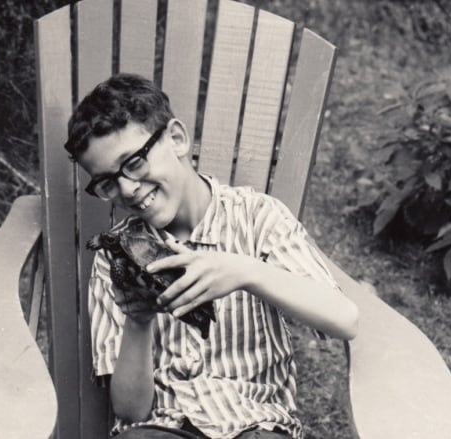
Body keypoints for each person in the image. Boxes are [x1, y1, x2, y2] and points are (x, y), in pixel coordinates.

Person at [64, 73, 359, 439]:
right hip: (163, 428)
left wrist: (246, 272)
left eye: (134, 162)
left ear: (176, 139)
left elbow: (343, 319)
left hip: (258, 424)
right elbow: (130, 410)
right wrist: (138, 322)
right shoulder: (116, 259)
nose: (127, 188)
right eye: (107, 182)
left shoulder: (257, 217)